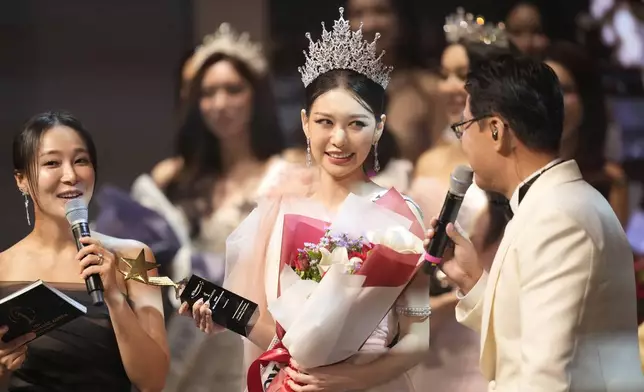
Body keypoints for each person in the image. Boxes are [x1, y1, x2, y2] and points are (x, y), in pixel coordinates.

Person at [183, 7, 430, 391]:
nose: (339, 140)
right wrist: (225, 314)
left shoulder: (400, 215)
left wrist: (348, 379)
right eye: (325, 122)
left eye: (357, 124)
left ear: (379, 128)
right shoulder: (278, 210)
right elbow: (277, 337)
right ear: (304, 123)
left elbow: (417, 340)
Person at [427, 55, 644, 390]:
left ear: (497, 130)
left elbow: (548, 375)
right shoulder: (549, 205)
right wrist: (472, 281)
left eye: (465, 126)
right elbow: (526, 336)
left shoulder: (560, 219)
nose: (462, 141)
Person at [93, 23, 290, 392]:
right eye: (208, 92)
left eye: (233, 89)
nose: (221, 103)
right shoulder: (173, 177)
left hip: (250, 332)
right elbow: (139, 265)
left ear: (256, 95)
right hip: (187, 329)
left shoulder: (286, 173)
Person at [0, 111, 169, 391]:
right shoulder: (3, 267)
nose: (71, 175)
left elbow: (154, 381)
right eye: (52, 163)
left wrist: (115, 297)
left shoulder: (136, 257)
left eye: (81, 161)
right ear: (21, 180)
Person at [544, 41, 630, 226]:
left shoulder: (610, 180)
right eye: (544, 90)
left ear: (586, 99)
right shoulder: (514, 169)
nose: (554, 100)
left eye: (565, 90)